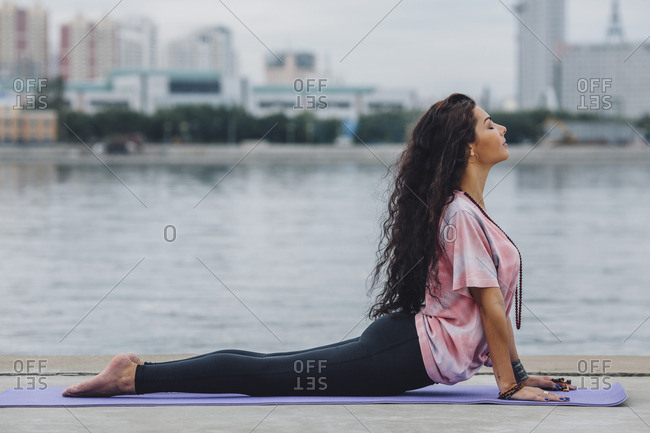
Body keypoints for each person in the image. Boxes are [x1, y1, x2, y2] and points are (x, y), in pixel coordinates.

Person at [62, 93, 575, 402]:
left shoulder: (465, 208)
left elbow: (485, 311)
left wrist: (523, 376)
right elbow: (488, 307)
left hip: (406, 346)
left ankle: (137, 373)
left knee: (273, 367)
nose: (502, 129)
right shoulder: (462, 213)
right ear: (468, 146)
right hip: (403, 352)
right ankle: (133, 377)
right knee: (269, 375)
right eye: (490, 125)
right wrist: (510, 387)